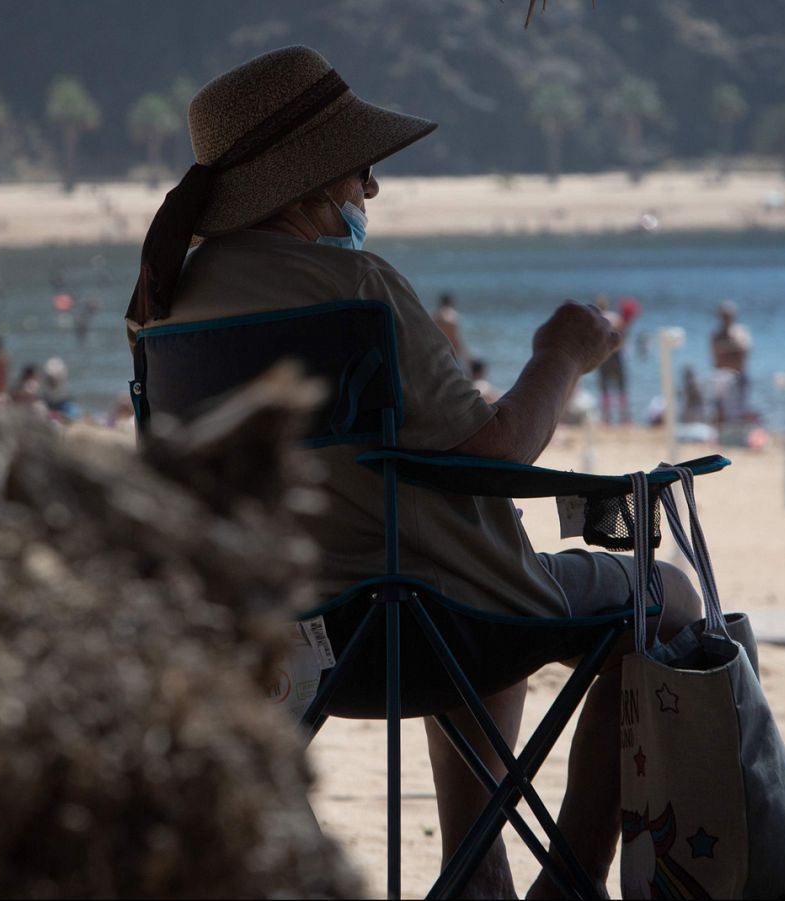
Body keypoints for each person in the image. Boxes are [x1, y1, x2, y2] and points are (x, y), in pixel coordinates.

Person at [122, 46, 701, 900]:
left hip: (284, 636)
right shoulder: (354, 285)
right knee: (666, 597)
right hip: (429, 627)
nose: (371, 188)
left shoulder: (165, 306)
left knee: (437, 563)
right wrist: (562, 354)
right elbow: (497, 449)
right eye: (358, 168)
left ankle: (479, 874)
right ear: (305, 184)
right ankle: (568, 877)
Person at [710, 299, 752, 425]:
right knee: (720, 411)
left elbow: (744, 350)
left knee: (738, 413)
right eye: (723, 316)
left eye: (727, 316)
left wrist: (726, 347)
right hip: (720, 377)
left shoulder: (740, 331)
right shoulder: (716, 334)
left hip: (738, 376)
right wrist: (731, 349)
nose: (725, 318)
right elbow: (716, 357)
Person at [594, 295, 629, 426]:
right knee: (621, 388)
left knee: (604, 389)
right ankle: (625, 418)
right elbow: (623, 338)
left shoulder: (596, 320)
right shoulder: (616, 318)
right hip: (616, 355)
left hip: (603, 356)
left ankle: (606, 419)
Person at [433, 292, 467, 359]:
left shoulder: (435, 315)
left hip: (438, 350)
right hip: (452, 351)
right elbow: (456, 338)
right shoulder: (453, 315)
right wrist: (465, 354)